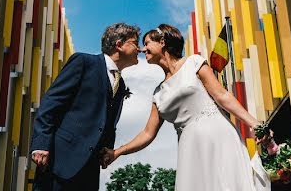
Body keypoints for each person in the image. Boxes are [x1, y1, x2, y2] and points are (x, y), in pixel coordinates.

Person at [100, 24, 271, 191]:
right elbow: (147, 133)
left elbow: (222, 95)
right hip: (189, 149)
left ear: (162, 42)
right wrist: (118, 152)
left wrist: (256, 124)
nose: (142, 50)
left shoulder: (193, 62)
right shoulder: (158, 93)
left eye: (146, 43)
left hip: (218, 136)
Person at [30, 22, 140, 191]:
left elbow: (108, 122)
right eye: (135, 43)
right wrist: (41, 144)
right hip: (59, 161)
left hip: (89, 170)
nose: (139, 49)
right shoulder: (84, 62)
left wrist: (107, 150)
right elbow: (51, 102)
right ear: (119, 44)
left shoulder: (121, 83)